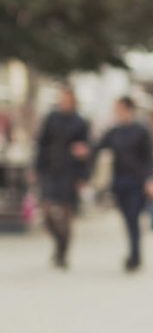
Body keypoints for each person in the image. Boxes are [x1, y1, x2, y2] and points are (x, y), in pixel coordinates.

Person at [93, 96, 153, 272]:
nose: (117, 112)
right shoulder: (113, 132)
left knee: (133, 217)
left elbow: (149, 158)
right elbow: (97, 147)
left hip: (137, 182)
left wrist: (150, 180)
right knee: (127, 219)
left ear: (129, 109)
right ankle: (133, 252)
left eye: (120, 109)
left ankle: (135, 255)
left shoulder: (141, 131)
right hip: (119, 181)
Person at [34, 87, 90, 268]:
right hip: (51, 170)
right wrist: (36, 168)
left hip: (70, 172)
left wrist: (83, 176)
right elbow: (41, 144)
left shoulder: (80, 122)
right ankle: (59, 243)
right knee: (46, 213)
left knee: (66, 214)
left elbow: (86, 150)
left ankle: (63, 253)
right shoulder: (51, 118)